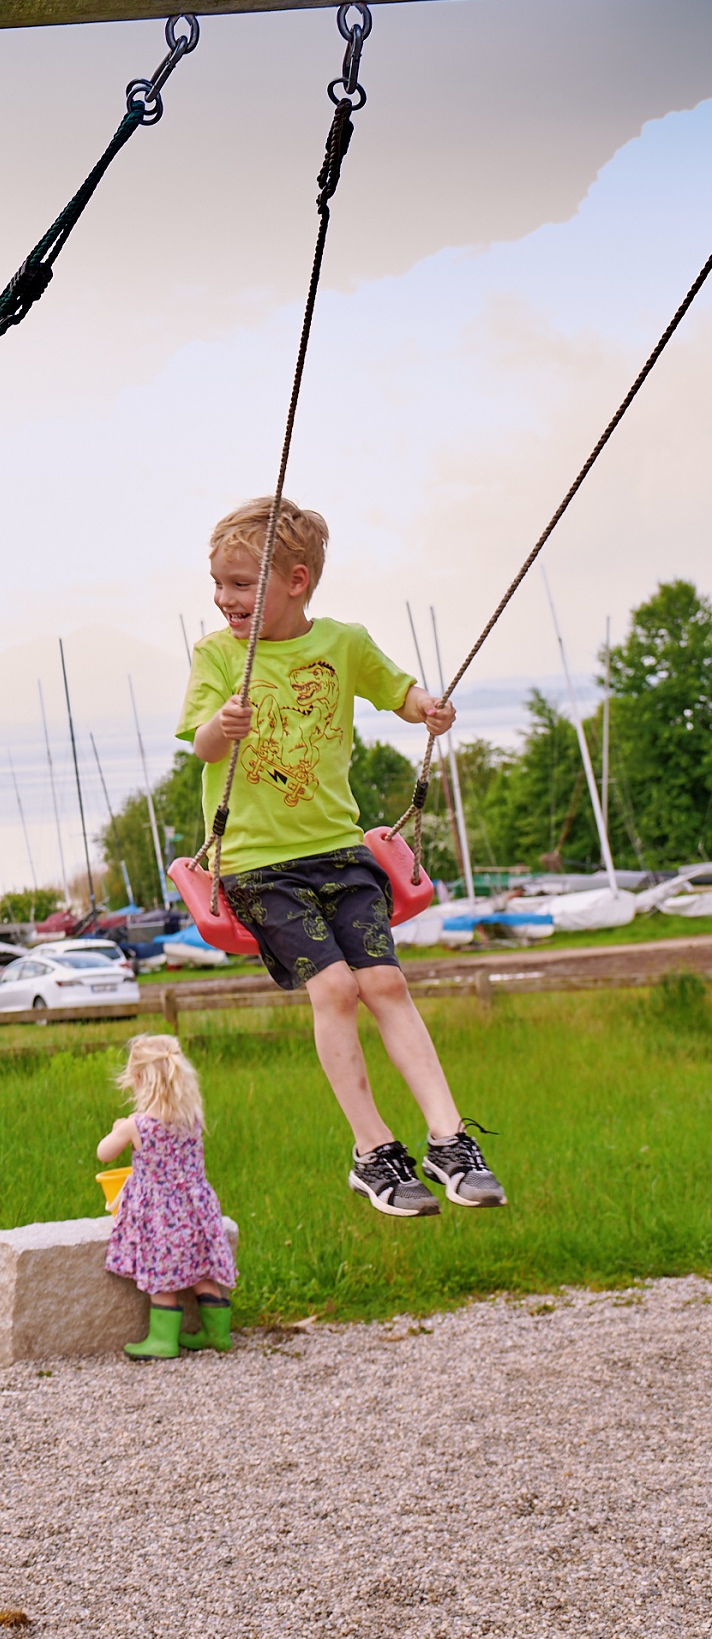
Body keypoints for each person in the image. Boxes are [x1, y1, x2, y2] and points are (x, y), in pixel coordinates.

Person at [179, 495, 505, 1217]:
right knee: (333, 989)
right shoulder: (217, 656)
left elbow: (399, 691)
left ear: (296, 581)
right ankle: (372, 1150)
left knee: (385, 982)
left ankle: (449, 1138)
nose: (224, 598)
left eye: (241, 584)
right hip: (258, 865)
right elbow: (200, 744)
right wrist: (223, 725)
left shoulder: (344, 643)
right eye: (219, 583)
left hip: (340, 852)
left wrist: (428, 708)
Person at [95, 1032, 237, 1359]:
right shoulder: (192, 1119)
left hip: (161, 1217)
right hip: (197, 1211)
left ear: (138, 1079)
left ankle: (162, 1341)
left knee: (162, 1276)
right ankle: (217, 1334)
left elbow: (104, 1153)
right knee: (202, 1269)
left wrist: (118, 1129)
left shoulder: (137, 1125)